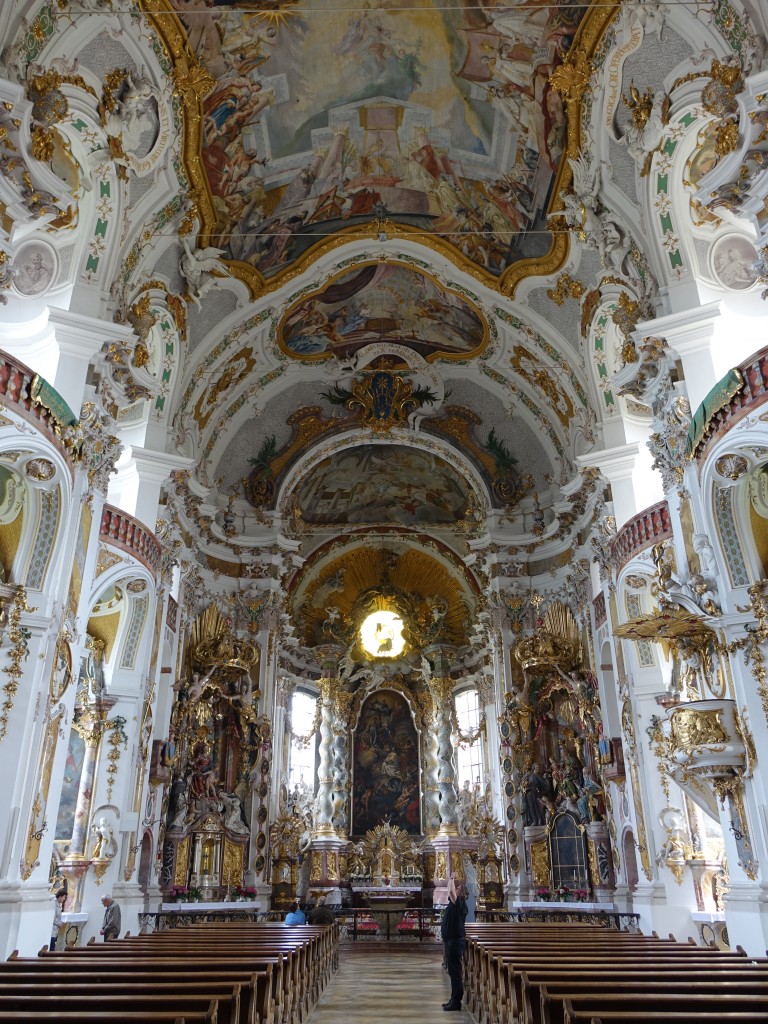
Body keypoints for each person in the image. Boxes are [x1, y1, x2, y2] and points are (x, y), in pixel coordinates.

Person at [440, 876, 467, 1012]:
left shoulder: (459, 902)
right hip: (452, 941)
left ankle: (456, 1001)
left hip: (455, 942)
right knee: (453, 972)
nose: (453, 890)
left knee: (455, 973)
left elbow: (450, 891)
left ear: (460, 891)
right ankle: (453, 999)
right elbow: (450, 891)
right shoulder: (455, 903)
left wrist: (451, 877)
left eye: (457, 888)